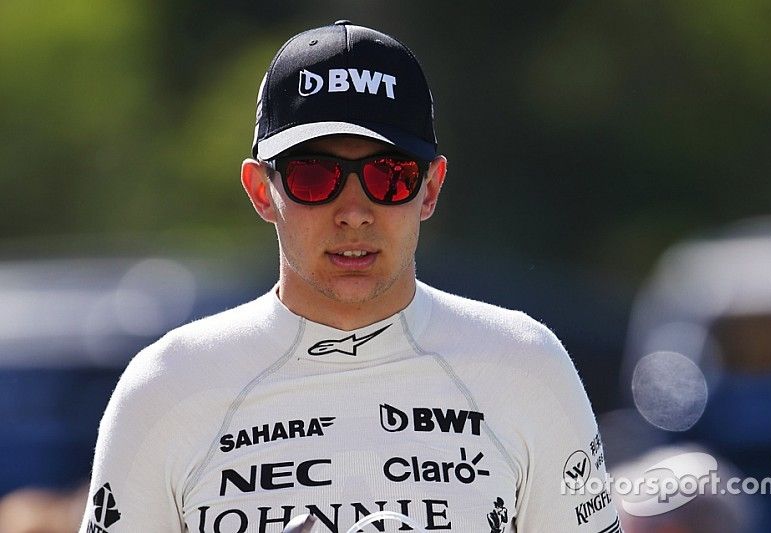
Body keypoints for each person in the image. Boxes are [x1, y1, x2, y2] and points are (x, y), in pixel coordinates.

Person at [81, 20, 620, 532]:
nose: (354, 212)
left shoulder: (527, 366)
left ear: (430, 188)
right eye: (315, 177)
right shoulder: (166, 387)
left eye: (390, 176)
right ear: (261, 190)